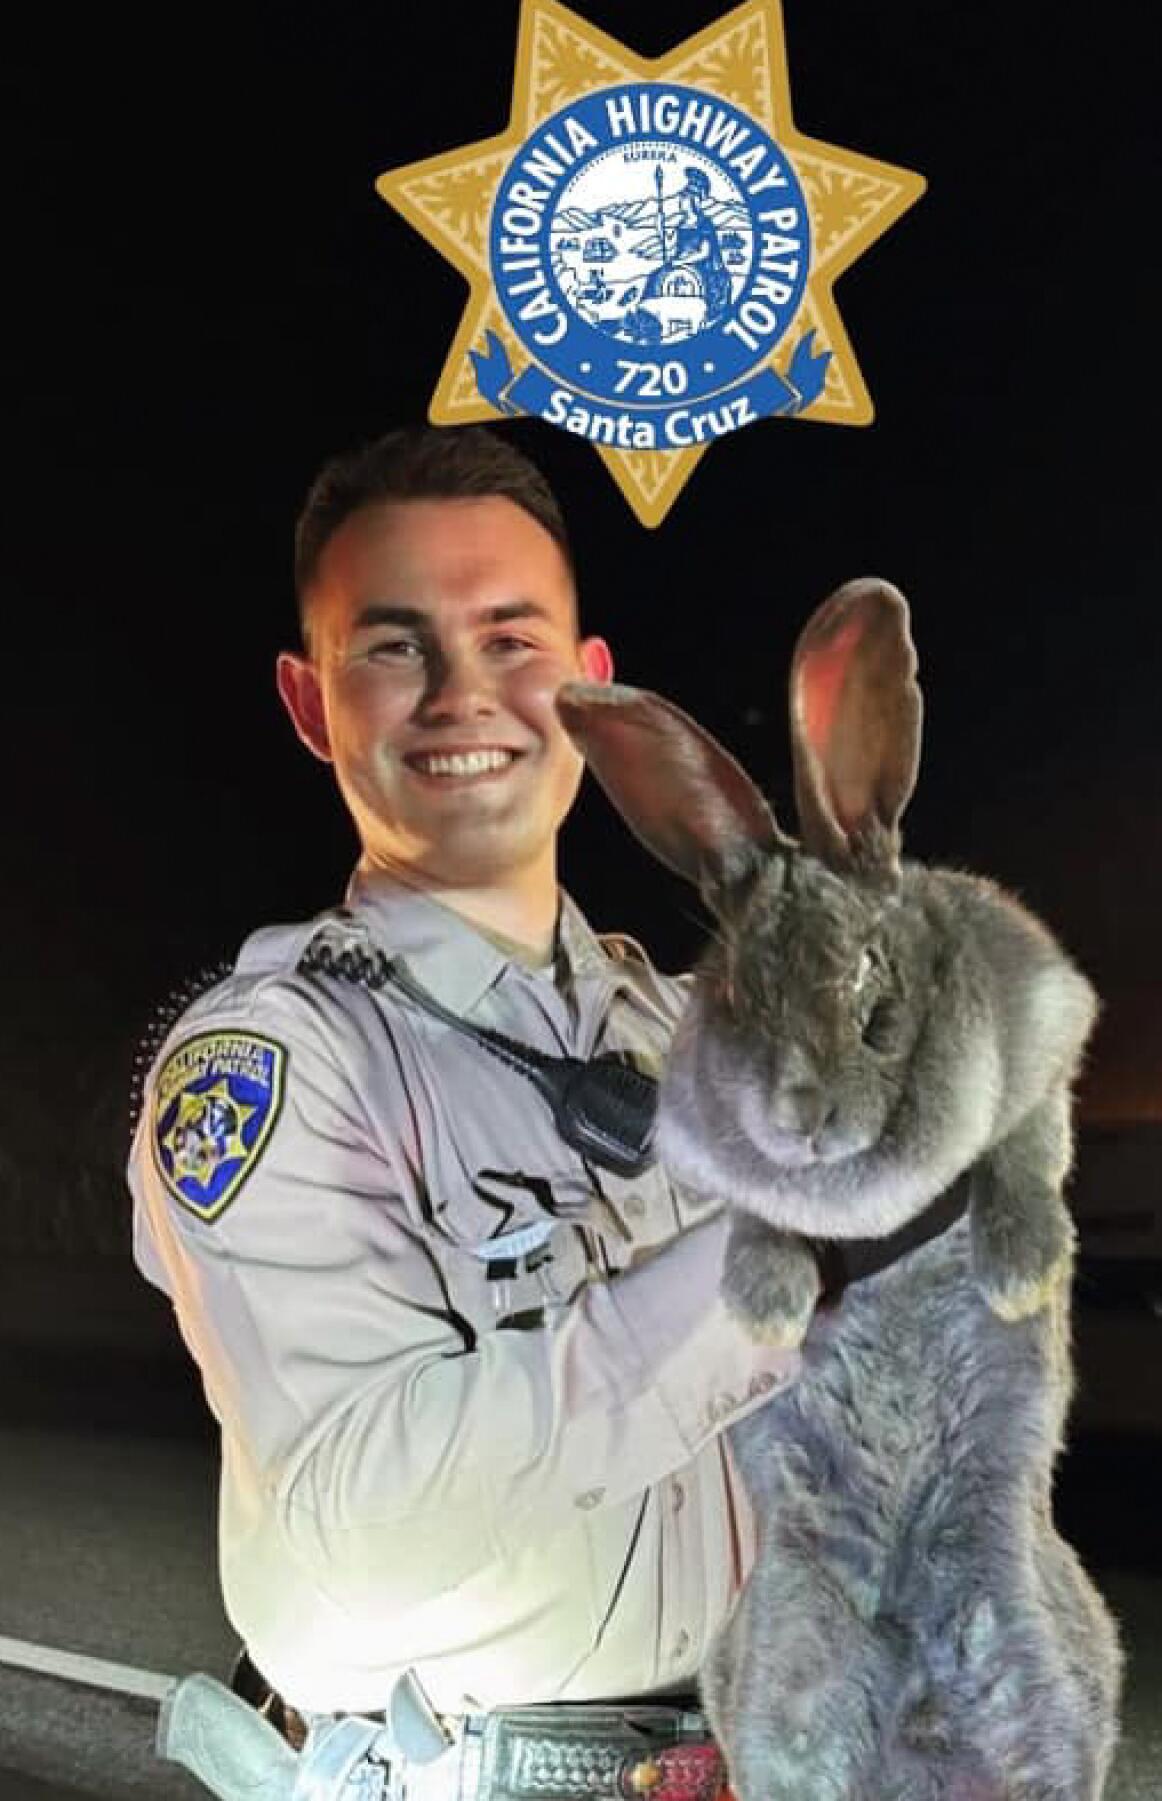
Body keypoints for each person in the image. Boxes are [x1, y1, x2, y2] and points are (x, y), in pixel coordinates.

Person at [128, 425, 801, 1791]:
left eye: (511, 638)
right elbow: (359, 1529)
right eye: (393, 646)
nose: (462, 695)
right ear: (312, 704)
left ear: (596, 696)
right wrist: (778, 1269)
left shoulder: (693, 1036)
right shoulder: (273, 1061)